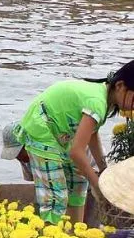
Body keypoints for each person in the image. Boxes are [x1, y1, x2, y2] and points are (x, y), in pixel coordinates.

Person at [15, 60, 134, 225]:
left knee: (79, 184)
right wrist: (98, 186)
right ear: (120, 85)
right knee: (56, 197)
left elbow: (92, 135)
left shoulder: (104, 101)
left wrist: (103, 170)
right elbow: (76, 152)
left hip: (62, 134)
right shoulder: (97, 102)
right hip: (41, 130)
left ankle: (74, 237)